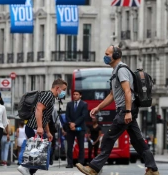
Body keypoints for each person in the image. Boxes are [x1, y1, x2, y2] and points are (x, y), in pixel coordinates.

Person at [76, 46, 160, 175]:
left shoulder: (121, 70)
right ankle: (152, 169)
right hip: (127, 109)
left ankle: (94, 168)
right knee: (137, 141)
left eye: (107, 54)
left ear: (115, 55)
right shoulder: (115, 71)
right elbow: (112, 95)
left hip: (125, 109)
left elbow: (127, 91)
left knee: (108, 138)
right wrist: (98, 108)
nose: (105, 56)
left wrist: (127, 112)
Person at [17, 78, 67, 175]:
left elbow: (45, 118)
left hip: (36, 127)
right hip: (33, 127)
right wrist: (39, 127)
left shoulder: (51, 98)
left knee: (42, 150)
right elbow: (38, 109)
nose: (64, 92)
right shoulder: (48, 95)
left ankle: (28, 170)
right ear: (57, 88)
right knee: (41, 150)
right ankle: (24, 167)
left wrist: (48, 132)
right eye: (64, 89)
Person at [64, 90, 88, 168]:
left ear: (80, 95)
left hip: (80, 128)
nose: (75, 96)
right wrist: (70, 124)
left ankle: (80, 163)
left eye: (77, 94)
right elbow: (67, 115)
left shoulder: (84, 104)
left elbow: (83, 116)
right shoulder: (69, 104)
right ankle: (70, 163)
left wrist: (75, 124)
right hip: (70, 128)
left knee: (81, 146)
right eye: (74, 94)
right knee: (69, 146)